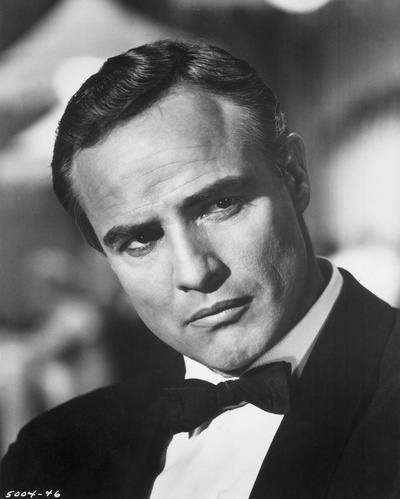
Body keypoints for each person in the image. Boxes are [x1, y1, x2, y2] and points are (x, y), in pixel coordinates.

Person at [1, 40, 399, 499]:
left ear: (294, 177)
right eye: (140, 240)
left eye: (220, 205)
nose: (194, 272)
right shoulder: (50, 452)